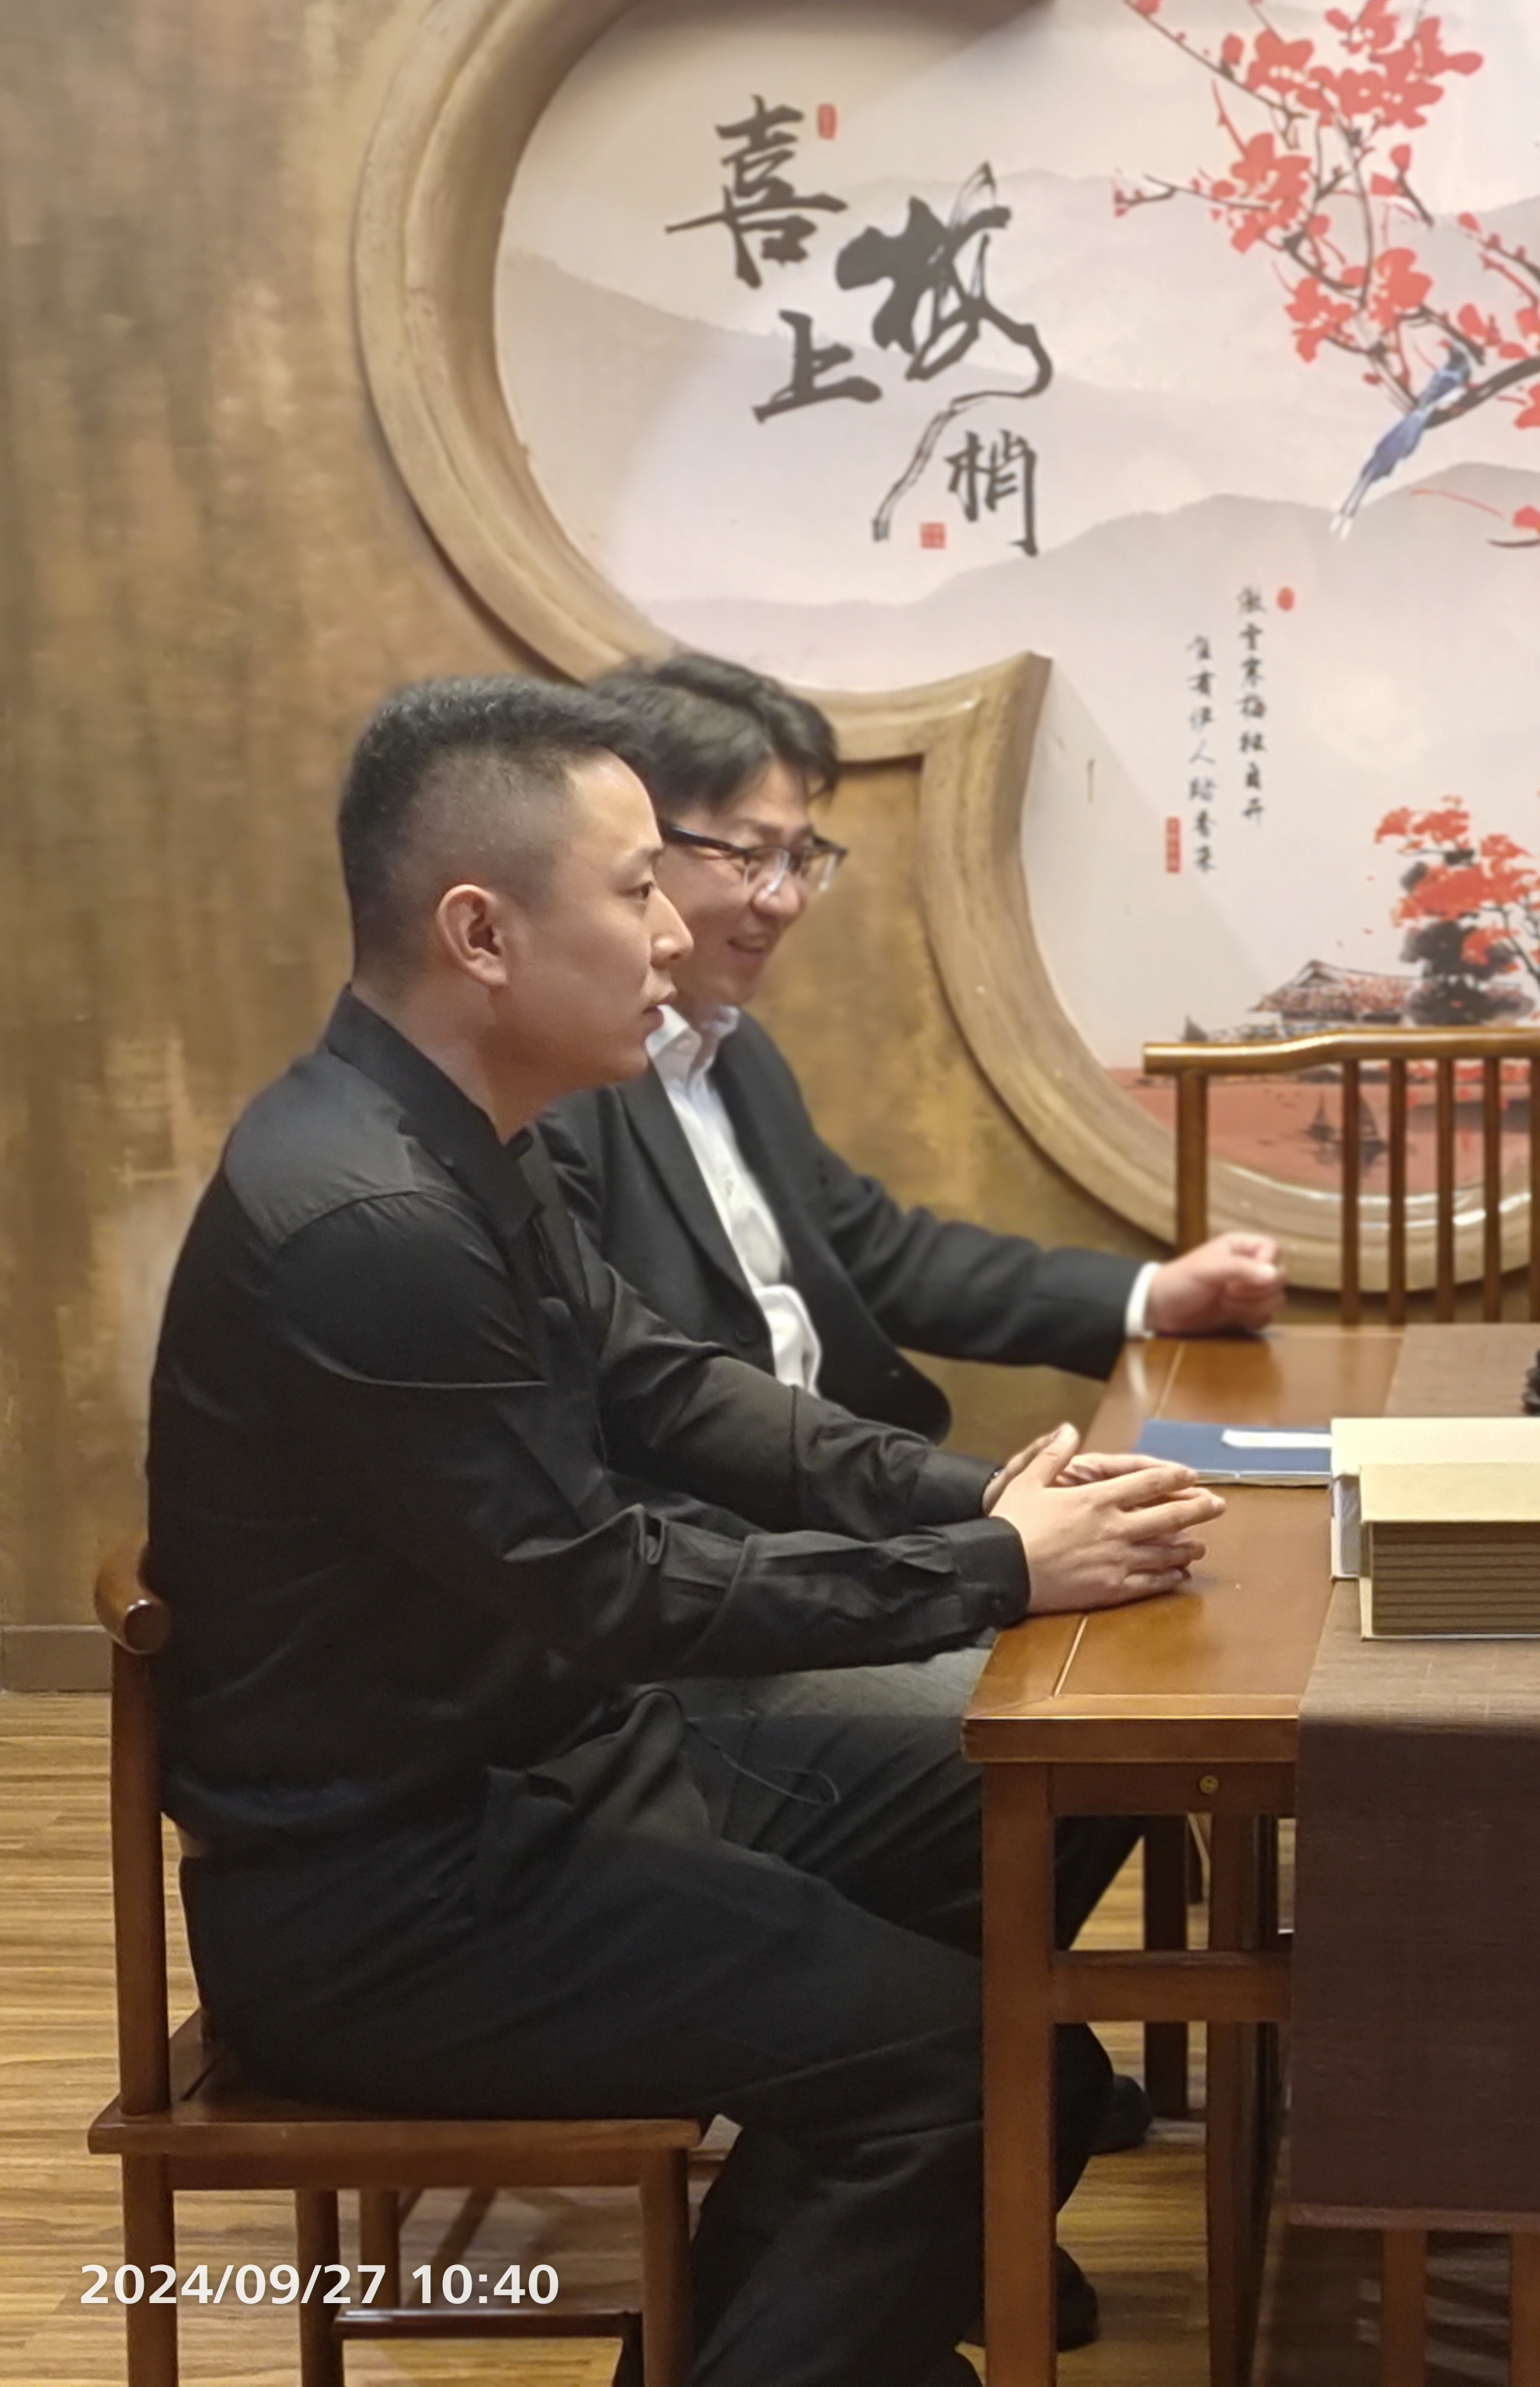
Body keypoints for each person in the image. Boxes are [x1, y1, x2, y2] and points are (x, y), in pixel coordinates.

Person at [148, 678, 1225, 2387]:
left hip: (552, 1774)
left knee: (1056, 1781)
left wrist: (988, 1503)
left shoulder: (459, 1136)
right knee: (980, 2069)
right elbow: (610, 1586)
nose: (676, 931)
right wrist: (994, 1571)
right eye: (637, 885)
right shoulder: (371, 1215)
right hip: (397, 1896)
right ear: (482, 932)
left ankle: (807, 2319)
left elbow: (671, 1389)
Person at [542, 650, 1284, 1448]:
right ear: (638, 853)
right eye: (751, 856)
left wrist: (1151, 1295)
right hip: (742, 1503)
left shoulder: (734, 1048)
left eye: (799, 859)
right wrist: (969, 1508)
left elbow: (875, 1254)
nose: (784, 900)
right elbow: (634, 1412)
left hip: (841, 1477)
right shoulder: (557, 1087)